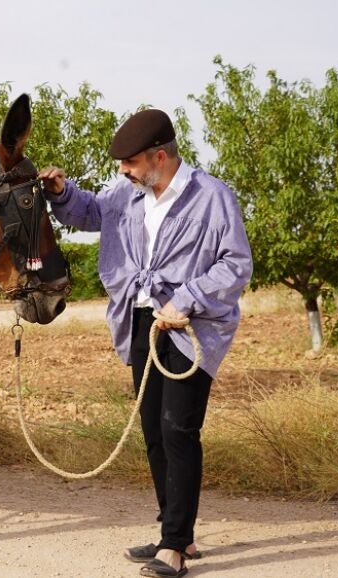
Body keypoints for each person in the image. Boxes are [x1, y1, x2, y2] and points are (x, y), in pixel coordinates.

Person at [38, 109, 252, 578]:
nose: (122, 171)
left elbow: (236, 264)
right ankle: (177, 534)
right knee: (154, 431)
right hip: (141, 322)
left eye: (129, 162)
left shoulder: (212, 197)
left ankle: (174, 546)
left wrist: (186, 299)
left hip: (191, 327)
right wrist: (62, 193)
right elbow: (90, 212)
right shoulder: (126, 193)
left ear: (159, 156)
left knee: (178, 430)